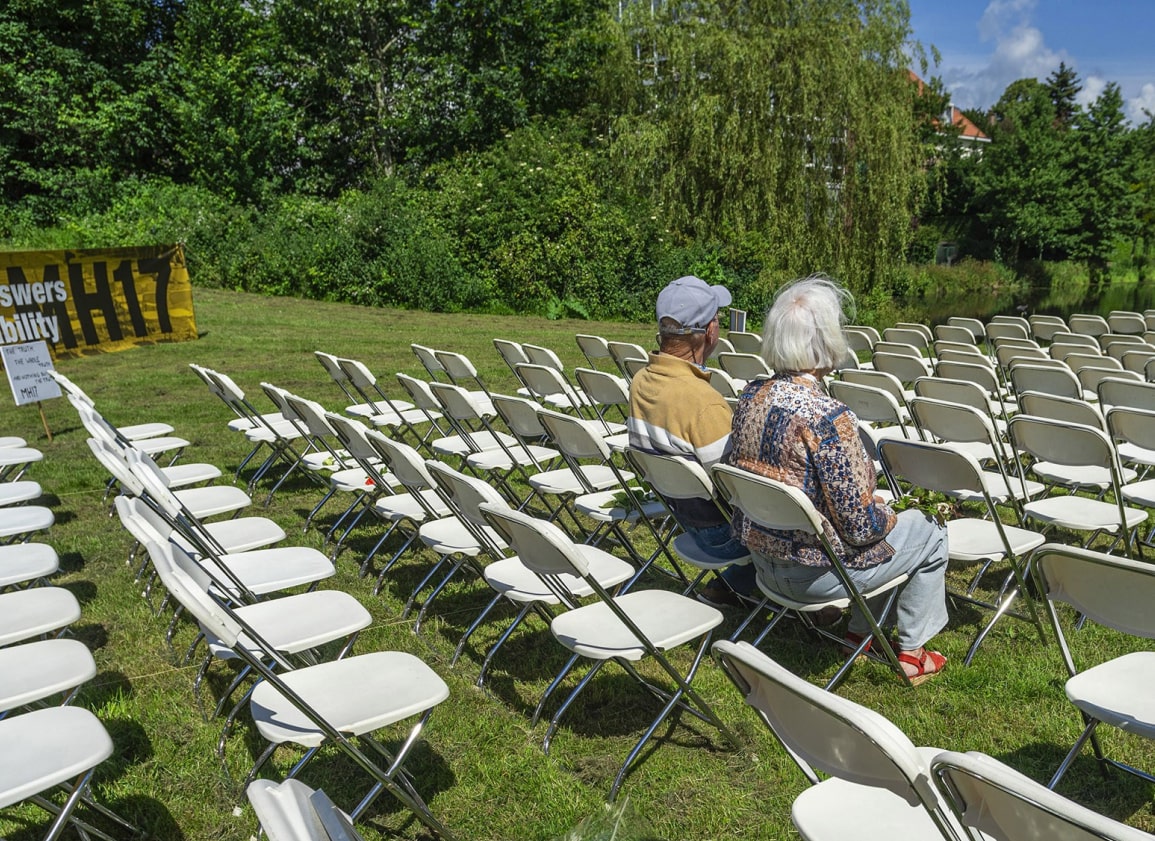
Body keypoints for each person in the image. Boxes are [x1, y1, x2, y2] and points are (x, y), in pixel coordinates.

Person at [727, 275, 948, 684]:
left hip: (762, 564)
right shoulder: (828, 418)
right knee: (928, 531)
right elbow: (861, 529)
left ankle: (858, 636)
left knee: (886, 532)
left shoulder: (748, 397)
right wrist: (890, 513)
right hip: (814, 578)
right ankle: (913, 653)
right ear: (827, 341)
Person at [626, 274, 758, 608]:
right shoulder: (703, 402)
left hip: (685, 522)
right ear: (709, 332)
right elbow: (739, 490)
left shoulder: (641, 380)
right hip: (725, 538)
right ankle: (817, 598)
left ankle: (730, 585)